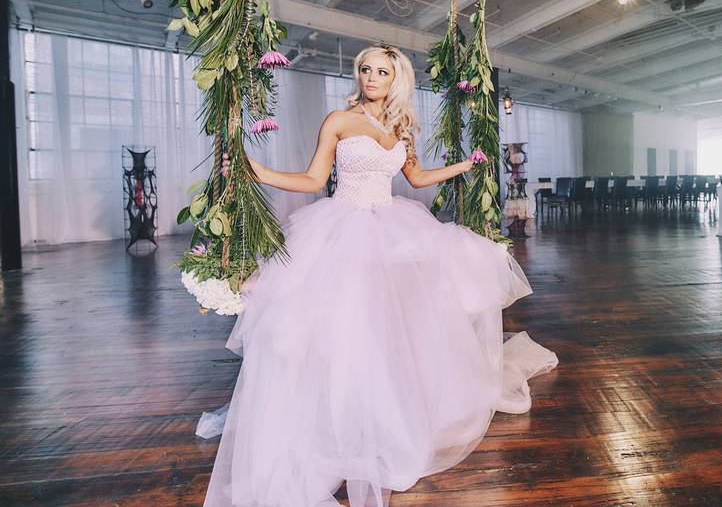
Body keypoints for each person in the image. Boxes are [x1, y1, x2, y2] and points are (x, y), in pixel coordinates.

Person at [199, 43, 558, 507]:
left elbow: (417, 179)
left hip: (391, 230)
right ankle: (332, 422)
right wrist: (259, 171)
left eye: (381, 72)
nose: (371, 77)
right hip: (342, 228)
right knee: (340, 330)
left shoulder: (403, 125)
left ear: (397, 79)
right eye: (365, 69)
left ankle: (382, 418)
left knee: (388, 329)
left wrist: (465, 165)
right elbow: (313, 180)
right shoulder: (339, 121)